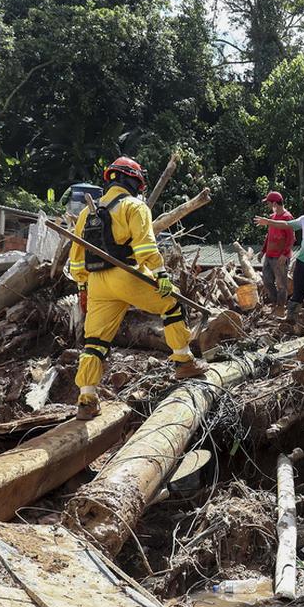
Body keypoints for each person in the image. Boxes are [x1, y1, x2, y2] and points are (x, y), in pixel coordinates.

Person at [68, 157, 202, 421]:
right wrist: (161, 273)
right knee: (171, 304)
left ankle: (86, 399)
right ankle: (184, 361)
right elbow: (144, 248)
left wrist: (83, 285)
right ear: (134, 181)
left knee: (95, 340)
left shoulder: (86, 212)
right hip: (127, 274)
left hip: (97, 283)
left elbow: (76, 258)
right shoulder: (134, 206)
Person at [255, 192, 304, 325]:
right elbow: (286, 225)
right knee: (298, 289)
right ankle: (291, 316)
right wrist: (268, 222)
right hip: (303, 260)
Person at [260, 191, 294, 312]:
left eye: (268, 203)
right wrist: (263, 251)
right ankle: (275, 303)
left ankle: (280, 307)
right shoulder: (272, 217)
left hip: (280, 257)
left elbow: (291, 238)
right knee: (267, 280)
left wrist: (285, 254)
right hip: (269, 255)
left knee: (281, 284)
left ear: (275, 203)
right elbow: (268, 236)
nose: (268, 205)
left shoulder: (287, 217)